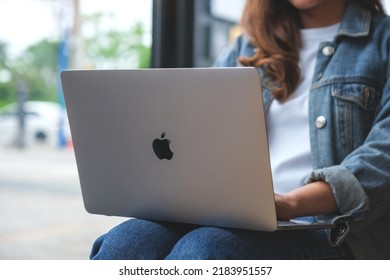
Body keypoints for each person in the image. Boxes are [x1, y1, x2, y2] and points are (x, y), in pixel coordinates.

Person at [90, 0, 390, 259]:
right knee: (123, 245)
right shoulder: (246, 47)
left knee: (205, 251)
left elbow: (383, 156)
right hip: (236, 216)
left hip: (336, 231)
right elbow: (198, 133)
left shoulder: (383, 42)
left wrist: (290, 203)